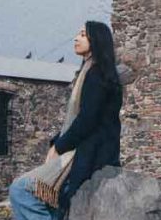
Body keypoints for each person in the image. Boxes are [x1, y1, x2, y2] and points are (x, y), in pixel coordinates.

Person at [9, 21, 122, 220]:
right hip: (83, 150)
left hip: (89, 154)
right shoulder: (90, 71)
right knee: (49, 202)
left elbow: (87, 120)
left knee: (20, 190)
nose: (76, 39)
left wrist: (59, 147)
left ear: (96, 40)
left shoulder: (97, 75)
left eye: (83, 35)